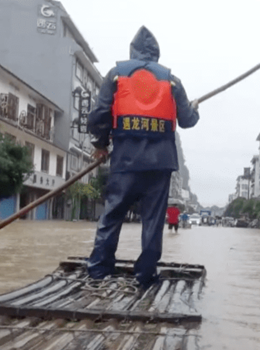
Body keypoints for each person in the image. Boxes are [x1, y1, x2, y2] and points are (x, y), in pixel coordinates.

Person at [86, 26, 200, 287]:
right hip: (160, 164)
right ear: (156, 55)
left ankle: (99, 270)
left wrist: (101, 145)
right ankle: (146, 274)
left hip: (125, 160)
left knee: (112, 215)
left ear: (132, 52)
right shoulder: (172, 81)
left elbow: (100, 113)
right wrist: (193, 108)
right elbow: (187, 121)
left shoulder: (116, 75)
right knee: (152, 222)